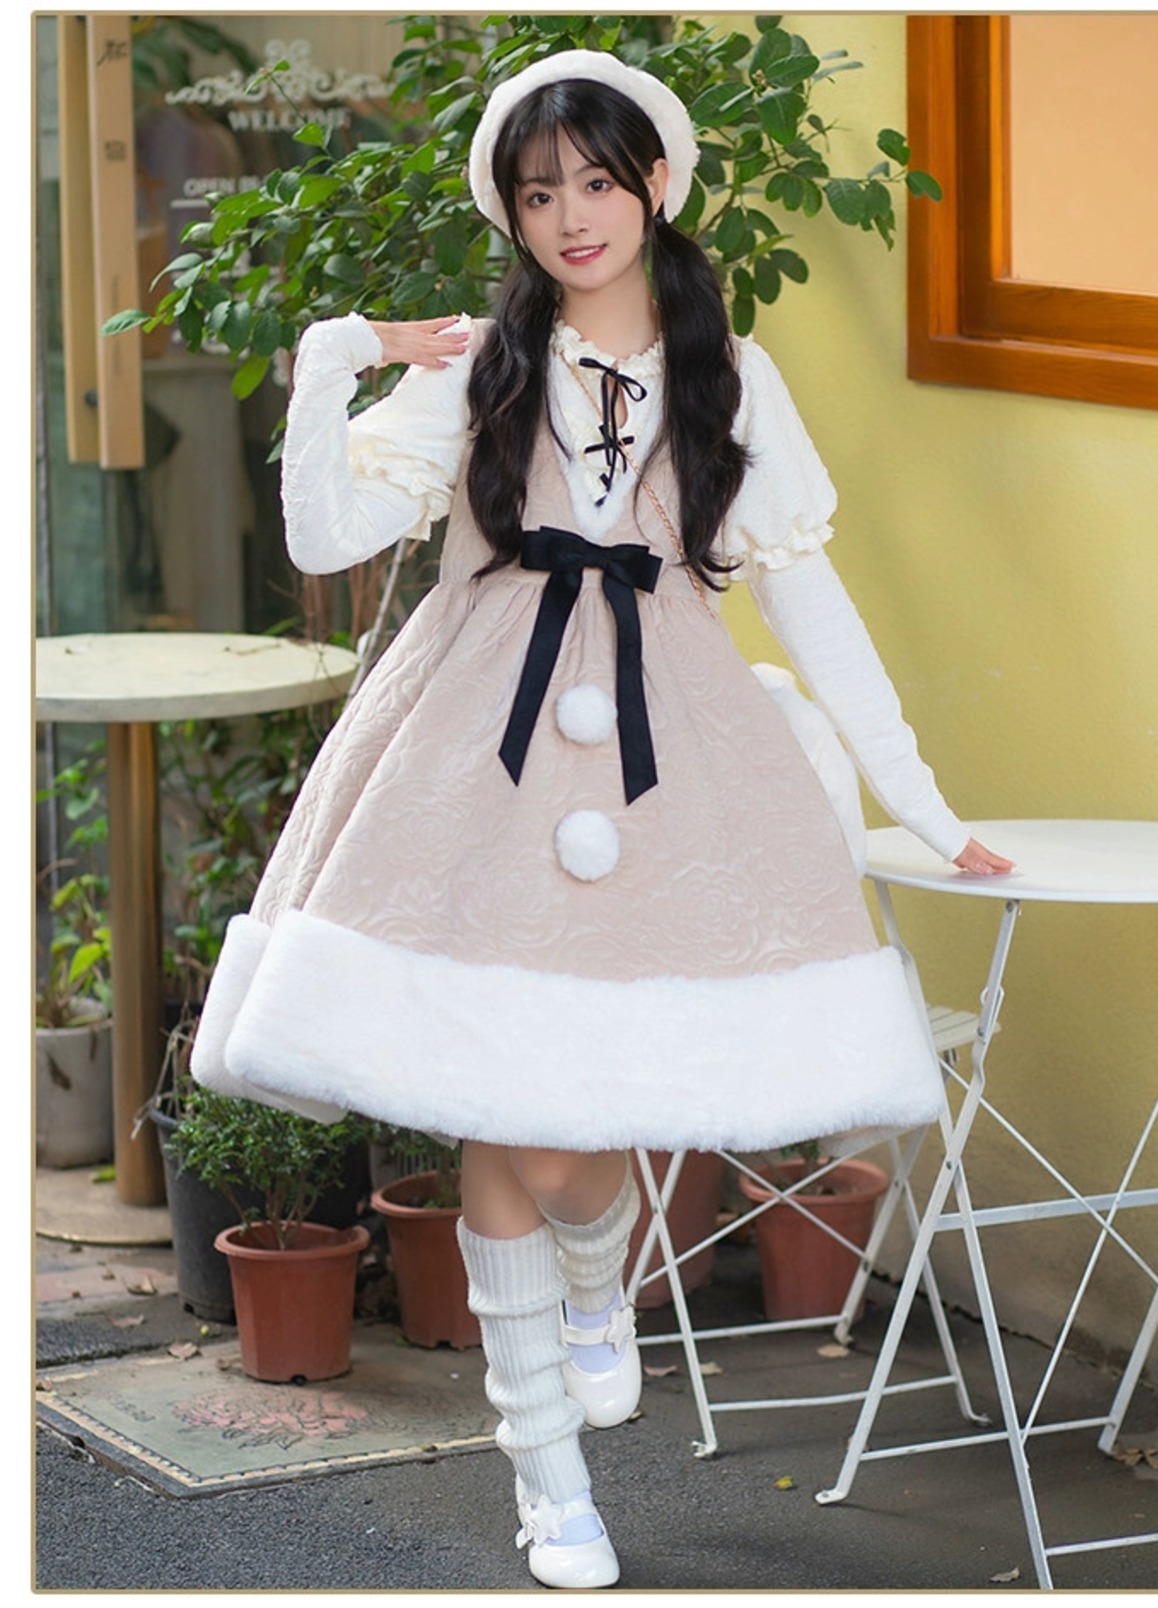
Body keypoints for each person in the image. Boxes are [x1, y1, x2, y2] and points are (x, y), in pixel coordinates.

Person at [192, 49, 1012, 1589]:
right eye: (537, 192)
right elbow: (322, 536)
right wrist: (335, 354)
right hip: (476, 764)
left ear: (655, 185)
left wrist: (921, 795)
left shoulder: (732, 374)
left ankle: (591, 1262)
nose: (570, 215)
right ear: (511, 214)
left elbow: (809, 599)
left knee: (584, 1121)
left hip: (673, 762)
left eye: (596, 181)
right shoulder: (473, 367)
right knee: (503, 1108)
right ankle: (548, 1474)